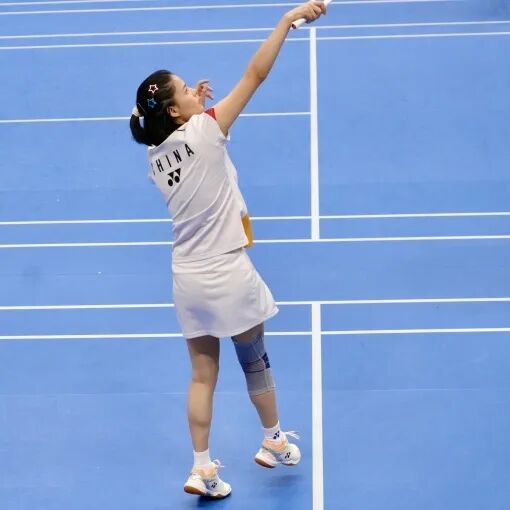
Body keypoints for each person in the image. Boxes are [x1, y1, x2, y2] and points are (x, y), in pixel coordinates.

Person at [129, 1, 327, 499]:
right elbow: (255, 74)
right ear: (175, 111)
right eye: (184, 89)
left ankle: (201, 467)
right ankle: (273, 440)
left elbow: (180, 139)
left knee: (202, 374)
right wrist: (286, 21)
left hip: (186, 277)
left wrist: (189, 107)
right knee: (254, 359)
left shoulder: (155, 156)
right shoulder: (207, 129)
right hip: (227, 271)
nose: (194, 90)